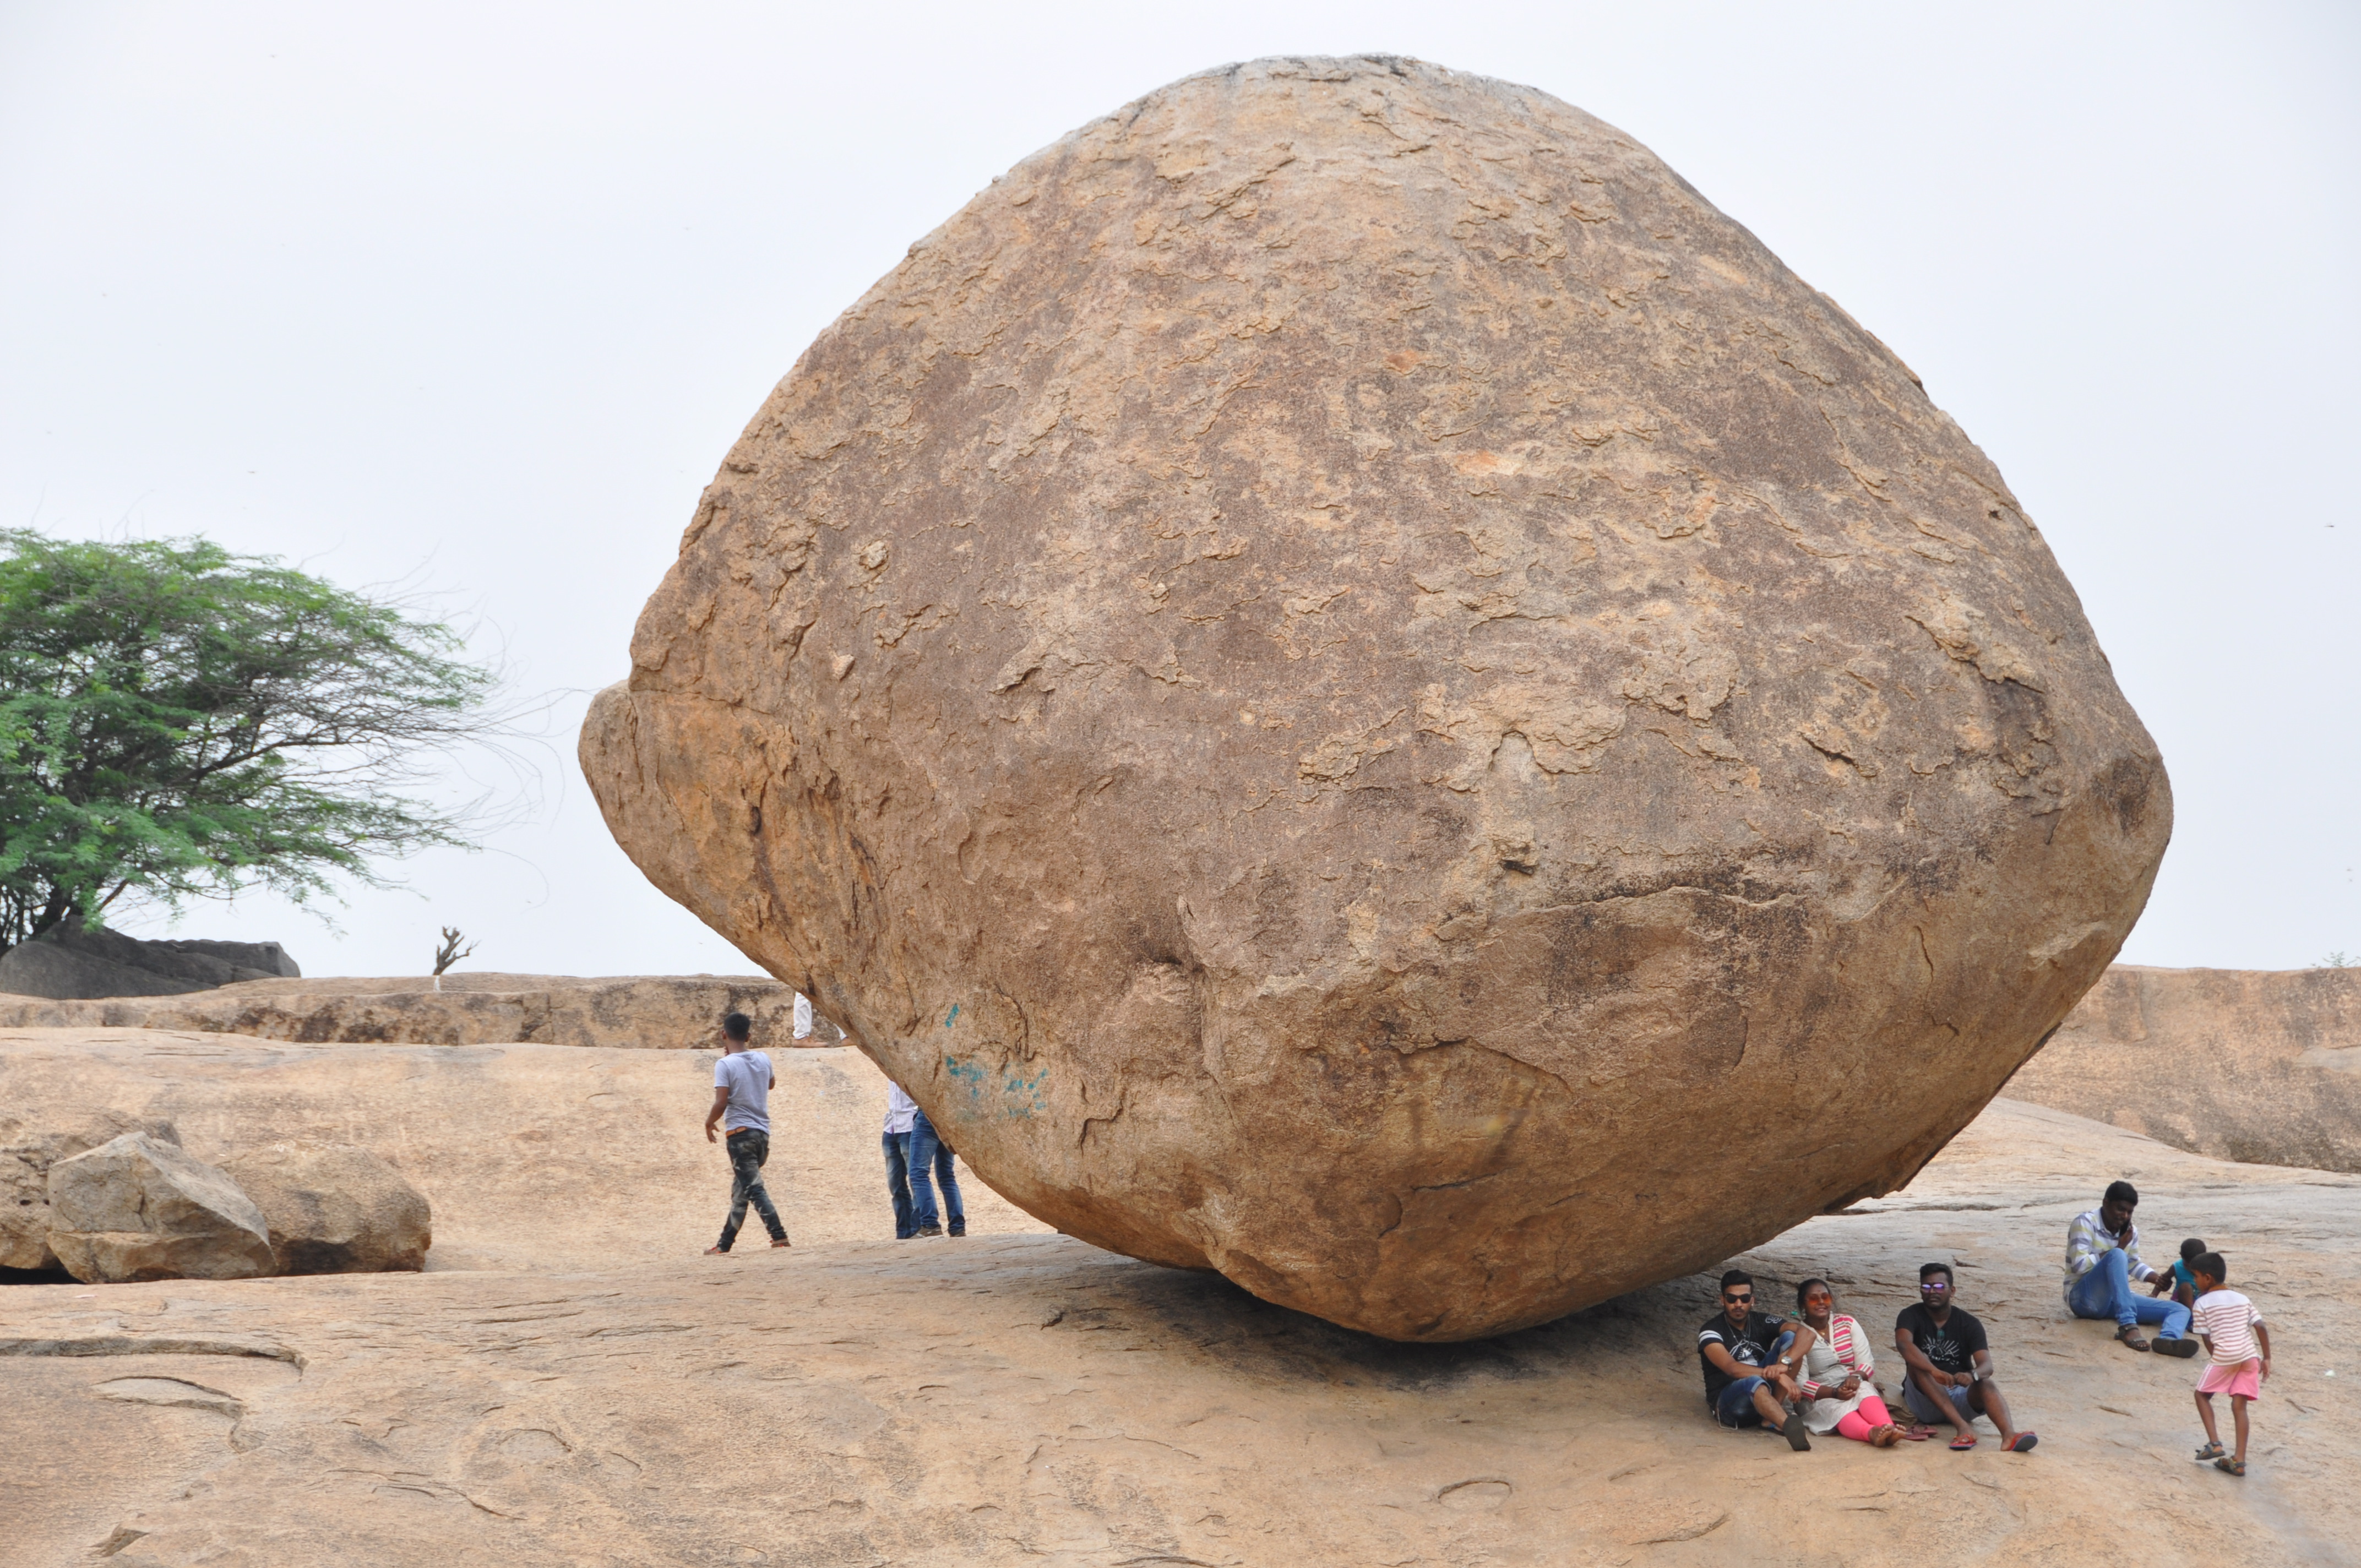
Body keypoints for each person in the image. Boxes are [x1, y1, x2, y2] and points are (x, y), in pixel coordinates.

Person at [1894, 1263, 2037, 1452]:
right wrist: (1933, 1370)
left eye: (1938, 1287)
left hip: (1959, 1395)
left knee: (1987, 1384)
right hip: (1924, 1400)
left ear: (1952, 1291)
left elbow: (1987, 1366)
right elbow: (1904, 1344)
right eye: (1926, 1287)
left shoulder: (1970, 1324)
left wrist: (1973, 1376)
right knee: (1918, 1365)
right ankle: (1963, 1428)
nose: (1932, 1292)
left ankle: (2009, 1436)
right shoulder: (1909, 1315)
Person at [2064, 1180, 2196, 1355]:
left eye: (2130, 1212)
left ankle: (2169, 1340)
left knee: (2180, 1309)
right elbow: (2079, 1266)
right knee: (2117, 1255)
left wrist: (2156, 1279)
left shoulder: (2129, 1230)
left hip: (2113, 1301)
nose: (2125, 1216)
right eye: (2121, 1209)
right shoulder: (2085, 1223)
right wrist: (2117, 1248)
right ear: (2106, 1203)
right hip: (2083, 1299)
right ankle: (2127, 1325)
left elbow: (2132, 1264)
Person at [701, 1012, 790, 1255]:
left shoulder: (725, 1064)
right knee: (742, 1192)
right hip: (762, 1135)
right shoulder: (763, 1059)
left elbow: (721, 1101)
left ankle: (779, 1235)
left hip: (740, 1136)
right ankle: (724, 1245)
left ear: (724, 1035)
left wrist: (709, 1122)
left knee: (754, 1189)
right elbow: (770, 1084)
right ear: (749, 1036)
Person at [1696, 1269, 1813, 1450]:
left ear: (1753, 1300)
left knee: (1791, 1337)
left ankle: (1770, 1418)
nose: (1738, 1304)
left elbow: (1807, 1333)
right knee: (1753, 1381)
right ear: (1722, 1300)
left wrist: (1784, 1365)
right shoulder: (1711, 1331)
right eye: (1732, 1299)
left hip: (1765, 1392)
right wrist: (1778, 1375)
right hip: (1730, 1404)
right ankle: (1787, 1424)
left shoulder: (1762, 1320)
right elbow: (1732, 1368)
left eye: (1744, 1298)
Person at [1788, 1278, 1904, 1446]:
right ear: (1803, 1304)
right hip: (1819, 1397)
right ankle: (1871, 1433)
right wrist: (1834, 1393)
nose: (1821, 1303)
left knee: (1864, 1388)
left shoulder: (1847, 1323)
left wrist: (1857, 1376)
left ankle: (1888, 1428)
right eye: (1814, 1299)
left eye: (1825, 1298)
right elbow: (1800, 1383)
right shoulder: (1800, 1335)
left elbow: (1867, 1361)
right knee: (1835, 1407)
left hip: (1851, 1385)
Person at [2189, 1250, 2271, 1477]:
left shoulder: (2201, 1303)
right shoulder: (2242, 1298)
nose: (2194, 1281)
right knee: (2239, 1406)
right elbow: (2261, 1326)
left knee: (2202, 1395)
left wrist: (2219, 1359)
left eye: (2195, 1276)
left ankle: (2215, 1443)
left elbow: (2206, 1338)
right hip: (2249, 1357)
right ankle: (2239, 1460)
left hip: (2225, 1356)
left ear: (2208, 1278)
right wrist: (2267, 1358)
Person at [907, 1104, 966, 1238]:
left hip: (927, 1115)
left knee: (918, 1173)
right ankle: (958, 1228)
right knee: (947, 1176)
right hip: (948, 1116)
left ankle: (930, 1225)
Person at [883, 1080, 920, 1240]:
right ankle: (903, 1232)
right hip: (891, 1127)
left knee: (916, 1180)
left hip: (909, 1125)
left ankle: (918, 1229)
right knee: (895, 1184)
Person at [2155, 1236, 2206, 1310]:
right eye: (2187, 1265)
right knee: (2186, 1287)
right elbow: (2163, 1280)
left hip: (2200, 1301)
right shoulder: (2177, 1267)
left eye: (2194, 1266)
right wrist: (2154, 1295)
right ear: (2181, 1256)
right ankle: (2192, 1315)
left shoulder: (2207, 1269)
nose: (2191, 1269)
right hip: (2180, 1302)